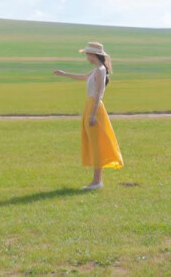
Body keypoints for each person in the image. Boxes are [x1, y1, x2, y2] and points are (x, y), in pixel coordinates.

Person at [53, 41, 124, 189]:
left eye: (87, 54)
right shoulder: (96, 69)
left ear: (93, 55)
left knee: (96, 144)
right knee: (93, 143)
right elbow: (83, 77)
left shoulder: (100, 70)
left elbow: (98, 93)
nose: (86, 56)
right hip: (90, 106)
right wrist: (64, 74)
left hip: (94, 107)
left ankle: (97, 181)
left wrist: (93, 114)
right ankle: (97, 180)